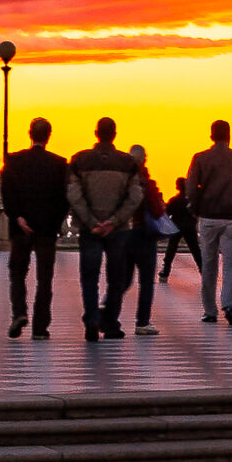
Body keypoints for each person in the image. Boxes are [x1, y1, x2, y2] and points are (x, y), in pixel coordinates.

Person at [66, 118, 142, 342]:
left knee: (89, 277)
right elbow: (135, 196)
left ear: (96, 133)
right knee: (116, 278)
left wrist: (91, 222)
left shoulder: (80, 160)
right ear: (115, 134)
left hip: (91, 229)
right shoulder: (127, 163)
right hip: (117, 230)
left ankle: (91, 319)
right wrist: (114, 221)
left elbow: (73, 194)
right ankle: (110, 324)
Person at [185, 119, 232, 327]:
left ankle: (209, 310)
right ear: (229, 136)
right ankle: (229, 305)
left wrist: (195, 209)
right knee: (231, 265)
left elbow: (190, 189)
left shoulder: (200, 158)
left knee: (208, 265)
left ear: (211, 136)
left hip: (208, 217)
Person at [0, 118, 68, 339]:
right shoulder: (59, 164)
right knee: (44, 278)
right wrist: (55, 222)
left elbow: (7, 192)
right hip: (47, 229)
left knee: (18, 273)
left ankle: (19, 312)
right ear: (49, 136)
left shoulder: (14, 161)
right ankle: (40, 327)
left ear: (30, 134)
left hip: (21, 229)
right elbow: (64, 200)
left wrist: (18, 216)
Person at [125, 145, 165, 336]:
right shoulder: (146, 183)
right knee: (147, 281)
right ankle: (142, 322)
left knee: (122, 279)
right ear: (145, 160)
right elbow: (157, 210)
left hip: (125, 233)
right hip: (144, 234)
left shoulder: (122, 181)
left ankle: (106, 305)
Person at [159, 178, 194, 282]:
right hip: (189, 227)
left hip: (176, 227)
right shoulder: (190, 201)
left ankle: (165, 272)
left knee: (171, 250)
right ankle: (204, 271)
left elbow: (167, 213)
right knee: (195, 250)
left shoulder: (174, 200)